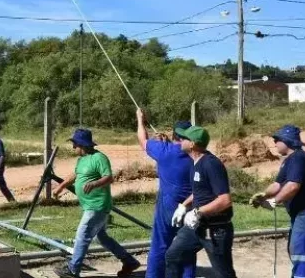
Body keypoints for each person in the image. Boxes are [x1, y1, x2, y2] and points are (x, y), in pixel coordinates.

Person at [53, 128, 141, 278]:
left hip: (98, 206)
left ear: (83, 145)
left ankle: (73, 269)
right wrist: (60, 186)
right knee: (102, 238)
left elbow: (109, 177)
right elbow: (75, 175)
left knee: (82, 235)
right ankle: (129, 261)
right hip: (90, 206)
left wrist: (94, 184)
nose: (74, 147)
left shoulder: (99, 158)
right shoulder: (82, 160)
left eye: (75, 144)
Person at [166, 125, 237, 278]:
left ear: (192, 144)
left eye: (183, 139)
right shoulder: (195, 163)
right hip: (197, 225)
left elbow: (225, 200)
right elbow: (200, 191)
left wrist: (198, 212)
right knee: (173, 255)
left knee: (223, 273)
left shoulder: (211, 164)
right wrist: (183, 206)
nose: (179, 141)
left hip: (215, 229)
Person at [250, 124, 305, 278]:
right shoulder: (289, 161)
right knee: (296, 252)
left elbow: (293, 186)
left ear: (287, 141)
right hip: (300, 215)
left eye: (277, 139)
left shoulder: (298, 158)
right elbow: (277, 185)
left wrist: (274, 202)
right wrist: (263, 196)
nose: (274, 142)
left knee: (301, 256)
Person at [135, 109, 196, 278]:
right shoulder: (196, 155)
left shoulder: (164, 151)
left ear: (174, 135)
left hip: (167, 206)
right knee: (188, 249)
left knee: (159, 245)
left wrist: (140, 120)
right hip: (190, 207)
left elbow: (142, 140)